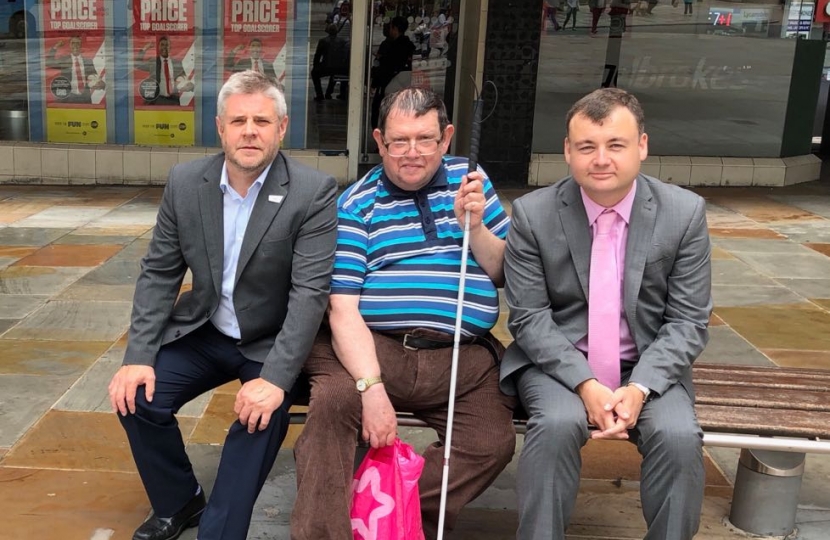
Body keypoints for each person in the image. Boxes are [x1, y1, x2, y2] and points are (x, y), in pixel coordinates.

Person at [108, 70, 338, 540]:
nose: (249, 131)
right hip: (207, 328)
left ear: (281, 127)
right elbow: (159, 273)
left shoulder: (312, 192)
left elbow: (309, 295)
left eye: (261, 121)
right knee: (136, 397)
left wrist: (276, 379)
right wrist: (138, 356)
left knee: (260, 417)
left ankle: (218, 532)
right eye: (238, 121)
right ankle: (179, 501)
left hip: (270, 339)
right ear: (220, 128)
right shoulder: (186, 182)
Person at [291, 87, 517, 540]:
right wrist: (372, 388)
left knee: (491, 441)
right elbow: (342, 308)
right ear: (380, 141)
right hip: (379, 349)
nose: (412, 153)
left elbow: (501, 273)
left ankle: (390, 516)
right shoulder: (357, 202)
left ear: (446, 137)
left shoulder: (472, 183)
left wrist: (474, 228)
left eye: (425, 139)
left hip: (463, 357)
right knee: (336, 401)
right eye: (399, 141)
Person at [500, 88, 712, 540]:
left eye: (615, 145)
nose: (601, 160)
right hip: (558, 363)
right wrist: (585, 383)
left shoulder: (683, 213)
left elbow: (688, 321)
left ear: (642, 146)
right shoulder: (533, 214)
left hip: (648, 365)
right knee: (556, 425)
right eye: (586, 147)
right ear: (567, 151)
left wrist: (639, 387)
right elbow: (528, 318)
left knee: (678, 437)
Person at [370, 16, 415, 127]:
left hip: (391, 82)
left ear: (395, 29)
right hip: (406, 81)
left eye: (390, 27)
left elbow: (387, 67)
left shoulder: (392, 46)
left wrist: (375, 83)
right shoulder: (409, 45)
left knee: (381, 111)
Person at [136, 36, 195, 106]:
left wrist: (189, 85)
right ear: (158, 47)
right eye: (162, 45)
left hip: (173, 101)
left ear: (170, 48)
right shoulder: (153, 61)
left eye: (167, 45)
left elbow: (183, 78)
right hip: (155, 100)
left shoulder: (177, 63)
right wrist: (144, 49)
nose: (164, 47)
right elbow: (137, 64)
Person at [46, 35, 105, 104]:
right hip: (68, 98)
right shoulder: (64, 60)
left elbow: (94, 77)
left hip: (84, 98)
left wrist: (101, 83)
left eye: (77, 43)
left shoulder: (88, 61)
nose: (75, 45)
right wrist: (55, 47)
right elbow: (49, 63)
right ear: (70, 45)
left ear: (81, 45)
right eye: (73, 43)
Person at [311, 24, 350, 101]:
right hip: (340, 68)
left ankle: (320, 94)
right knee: (342, 73)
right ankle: (340, 93)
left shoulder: (323, 41)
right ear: (337, 31)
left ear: (328, 31)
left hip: (326, 67)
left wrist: (316, 66)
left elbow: (317, 55)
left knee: (314, 74)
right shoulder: (343, 42)